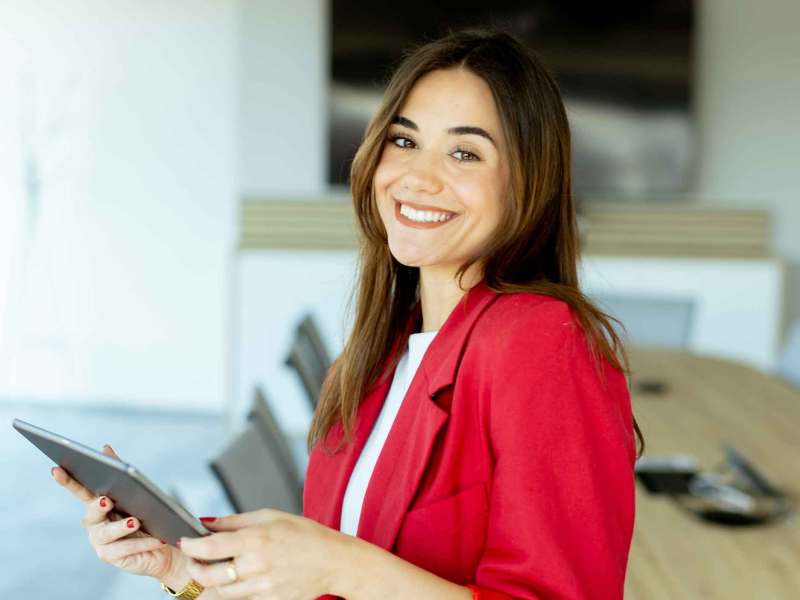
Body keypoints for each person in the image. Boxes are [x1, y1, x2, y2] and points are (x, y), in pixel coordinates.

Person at [52, 26, 643, 600]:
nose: (417, 176)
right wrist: (179, 572)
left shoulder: (540, 339)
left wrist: (339, 564)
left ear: (526, 184)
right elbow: (321, 587)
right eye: (404, 141)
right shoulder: (365, 367)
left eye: (464, 153)